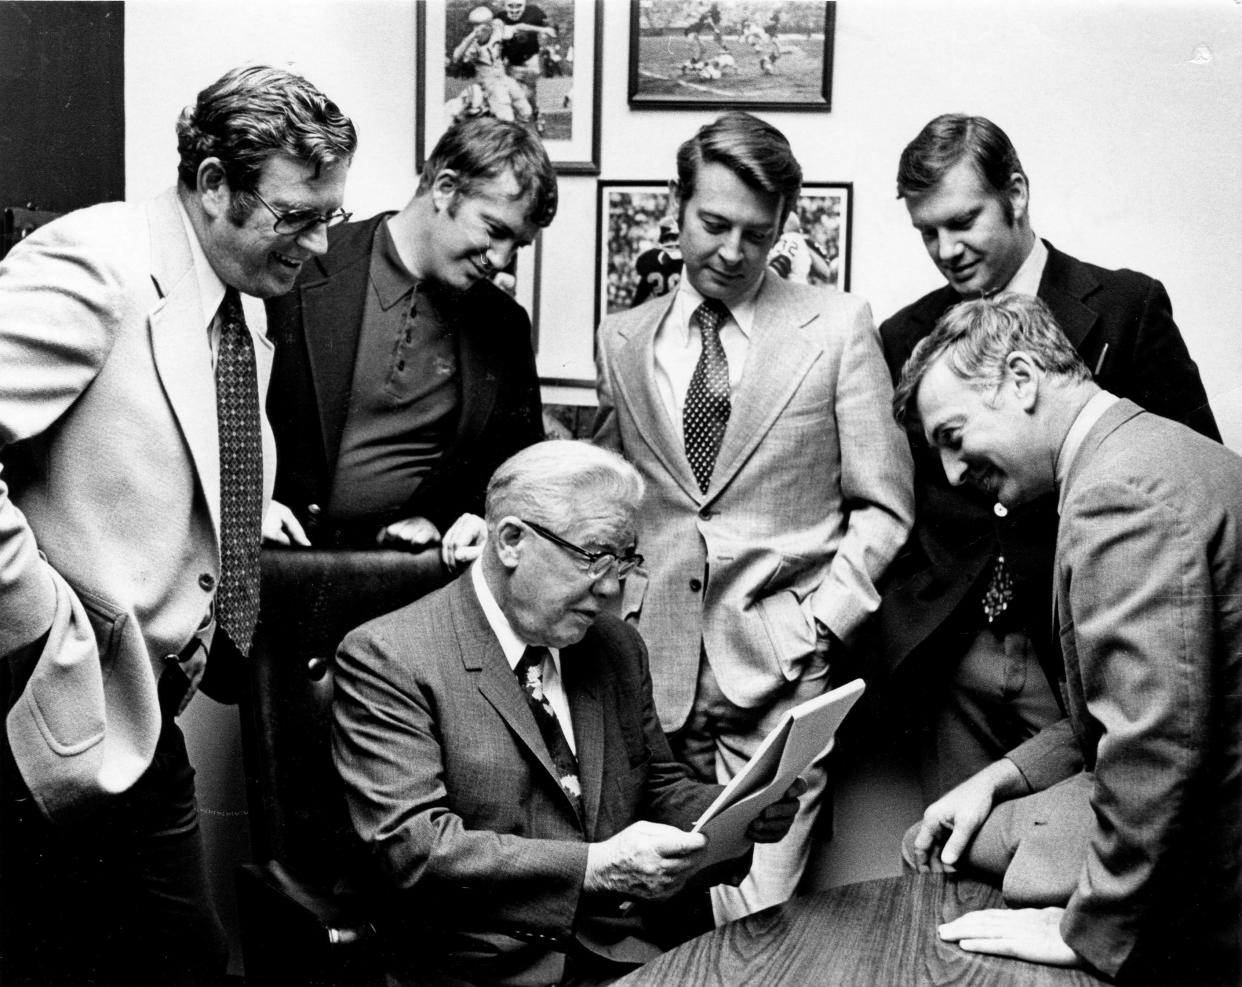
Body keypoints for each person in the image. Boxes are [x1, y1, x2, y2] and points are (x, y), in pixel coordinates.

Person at [0, 65, 356, 985]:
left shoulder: (236, 299)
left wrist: (240, 505)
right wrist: (36, 615)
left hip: (146, 716)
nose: (320, 245)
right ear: (210, 183)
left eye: (333, 217)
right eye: (298, 215)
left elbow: (169, 444)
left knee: (185, 956)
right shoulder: (95, 262)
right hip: (40, 708)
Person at [594, 111, 913, 923]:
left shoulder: (837, 327)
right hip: (649, 674)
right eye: (713, 225)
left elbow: (885, 507)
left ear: (783, 225)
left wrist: (818, 626)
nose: (733, 253)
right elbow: (614, 500)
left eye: (757, 233)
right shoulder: (620, 339)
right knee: (657, 916)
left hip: (779, 675)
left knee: (757, 924)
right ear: (677, 204)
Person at [332, 440, 802, 986]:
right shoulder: (390, 655)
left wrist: (742, 806)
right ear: (511, 541)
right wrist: (595, 868)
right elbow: (415, 849)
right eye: (594, 558)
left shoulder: (616, 646)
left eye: (624, 562)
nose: (610, 589)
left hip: (626, 956)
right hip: (479, 969)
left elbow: (656, 786)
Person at [892, 293, 1241, 986]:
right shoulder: (1162, 450)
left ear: (1022, 380)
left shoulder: (1116, 495)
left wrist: (1088, 927)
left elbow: (1156, 740)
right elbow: (1166, 694)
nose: (955, 474)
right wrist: (999, 778)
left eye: (953, 437)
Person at [875, 113, 1219, 798]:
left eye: (964, 220)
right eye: (927, 232)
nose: (947, 248)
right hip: (954, 656)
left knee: (1083, 845)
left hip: (1079, 645)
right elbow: (898, 497)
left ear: (1017, 193)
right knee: (958, 852)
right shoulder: (904, 335)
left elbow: (1191, 474)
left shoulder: (1127, 307)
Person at [264, 115, 552, 574]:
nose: (501, 260)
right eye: (495, 231)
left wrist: (452, 517)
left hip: (412, 581)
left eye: (518, 244)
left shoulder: (505, 323)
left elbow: (516, 470)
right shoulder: (301, 265)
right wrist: (249, 503)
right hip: (274, 566)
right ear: (444, 188)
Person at [450, 5, 533, 125]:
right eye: (475, 25)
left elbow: (516, 27)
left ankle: (519, 135)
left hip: (503, 77)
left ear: (489, 25)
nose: (477, 30)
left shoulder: (497, 29)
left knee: (525, 109)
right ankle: (504, 137)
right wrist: (471, 37)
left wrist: (542, 30)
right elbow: (456, 56)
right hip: (490, 83)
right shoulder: (474, 46)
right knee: (505, 116)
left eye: (480, 26)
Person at [494, 0, 555, 135]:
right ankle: (530, 117)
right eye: (510, 6)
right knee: (515, 94)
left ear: (524, 4)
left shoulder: (534, 12)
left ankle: (528, 120)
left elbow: (548, 24)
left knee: (526, 93)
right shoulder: (500, 18)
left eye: (518, 6)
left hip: (530, 60)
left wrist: (548, 28)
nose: (515, 10)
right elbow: (500, 37)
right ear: (504, 5)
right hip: (510, 62)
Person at [630, 214, 683, 307]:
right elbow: (639, 298)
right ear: (663, 241)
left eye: (678, 237)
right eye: (671, 238)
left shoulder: (690, 262)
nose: (675, 243)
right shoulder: (650, 260)